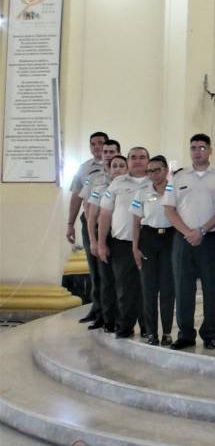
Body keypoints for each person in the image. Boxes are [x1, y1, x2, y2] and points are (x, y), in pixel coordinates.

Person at [163, 133, 215, 351]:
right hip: (183, 239)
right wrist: (189, 232)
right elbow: (169, 209)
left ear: (210, 150)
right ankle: (185, 334)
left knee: (211, 289)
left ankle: (210, 334)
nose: (197, 151)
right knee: (183, 288)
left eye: (202, 147)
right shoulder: (178, 177)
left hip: (211, 240)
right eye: (193, 147)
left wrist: (202, 230)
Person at [97, 147, 150, 338]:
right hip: (122, 244)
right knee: (124, 289)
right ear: (128, 161)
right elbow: (105, 214)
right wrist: (102, 243)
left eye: (142, 157)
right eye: (133, 157)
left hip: (149, 245)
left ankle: (148, 328)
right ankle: (124, 327)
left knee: (147, 289)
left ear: (148, 160)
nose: (137, 161)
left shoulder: (157, 182)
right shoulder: (117, 184)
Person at [130, 155, 175, 346]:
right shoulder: (142, 191)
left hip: (170, 239)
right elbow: (135, 221)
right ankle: (151, 332)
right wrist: (135, 247)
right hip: (148, 238)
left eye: (157, 170)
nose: (153, 174)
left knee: (167, 288)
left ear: (166, 170)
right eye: (150, 171)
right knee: (148, 289)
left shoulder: (175, 189)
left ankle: (166, 332)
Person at [67, 130, 108, 324]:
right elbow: (76, 196)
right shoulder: (84, 169)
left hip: (111, 224)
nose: (97, 147)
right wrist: (70, 224)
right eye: (93, 144)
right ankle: (96, 308)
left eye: (100, 143)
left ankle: (111, 310)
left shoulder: (119, 164)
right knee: (94, 268)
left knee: (109, 269)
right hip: (89, 222)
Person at [79, 138, 120, 330]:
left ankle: (118, 316)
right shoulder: (94, 179)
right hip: (96, 230)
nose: (109, 155)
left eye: (113, 152)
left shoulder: (126, 177)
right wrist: (93, 237)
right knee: (100, 276)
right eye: (106, 152)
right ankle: (102, 314)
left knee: (117, 278)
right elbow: (88, 209)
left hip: (120, 233)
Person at [85, 149, 126, 332]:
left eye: (121, 166)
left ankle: (122, 319)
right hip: (105, 237)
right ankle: (107, 319)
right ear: (108, 170)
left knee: (122, 281)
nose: (117, 169)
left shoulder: (132, 187)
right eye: (114, 166)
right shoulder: (100, 189)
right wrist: (94, 242)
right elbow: (92, 217)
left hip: (123, 238)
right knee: (106, 281)